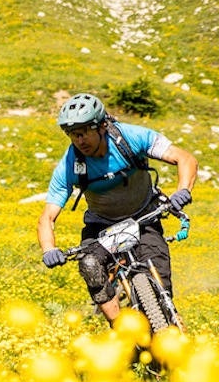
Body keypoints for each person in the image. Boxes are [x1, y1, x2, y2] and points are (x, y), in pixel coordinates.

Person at [36, 93, 198, 325]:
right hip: (101, 226)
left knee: (161, 283)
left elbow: (186, 159)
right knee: (91, 266)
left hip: (144, 217)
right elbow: (47, 217)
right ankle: (121, 330)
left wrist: (182, 190)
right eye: (73, 134)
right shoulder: (71, 165)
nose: (79, 140)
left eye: (85, 132)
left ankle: (166, 323)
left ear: (102, 126)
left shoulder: (131, 137)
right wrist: (48, 249)